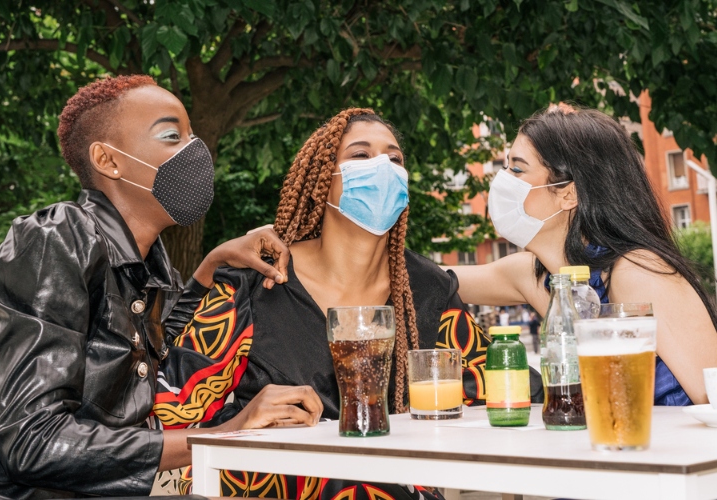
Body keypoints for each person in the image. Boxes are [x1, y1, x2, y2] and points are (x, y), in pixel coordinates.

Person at [154, 108, 545, 498]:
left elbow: (512, 387)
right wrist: (240, 422)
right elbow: (170, 411)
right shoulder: (255, 283)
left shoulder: (426, 290)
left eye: (394, 159)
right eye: (361, 155)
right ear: (322, 181)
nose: (383, 168)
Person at [0, 75, 322, 499]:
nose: (196, 151)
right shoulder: (56, 238)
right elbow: (33, 442)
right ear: (108, 160)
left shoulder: (144, 262)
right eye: (172, 136)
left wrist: (213, 263)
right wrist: (224, 433)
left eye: (194, 136)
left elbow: (143, 350)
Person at [445, 104, 717, 406]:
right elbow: (425, 278)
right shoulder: (540, 276)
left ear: (568, 194)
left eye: (518, 169)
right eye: (507, 166)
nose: (502, 180)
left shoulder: (637, 272)